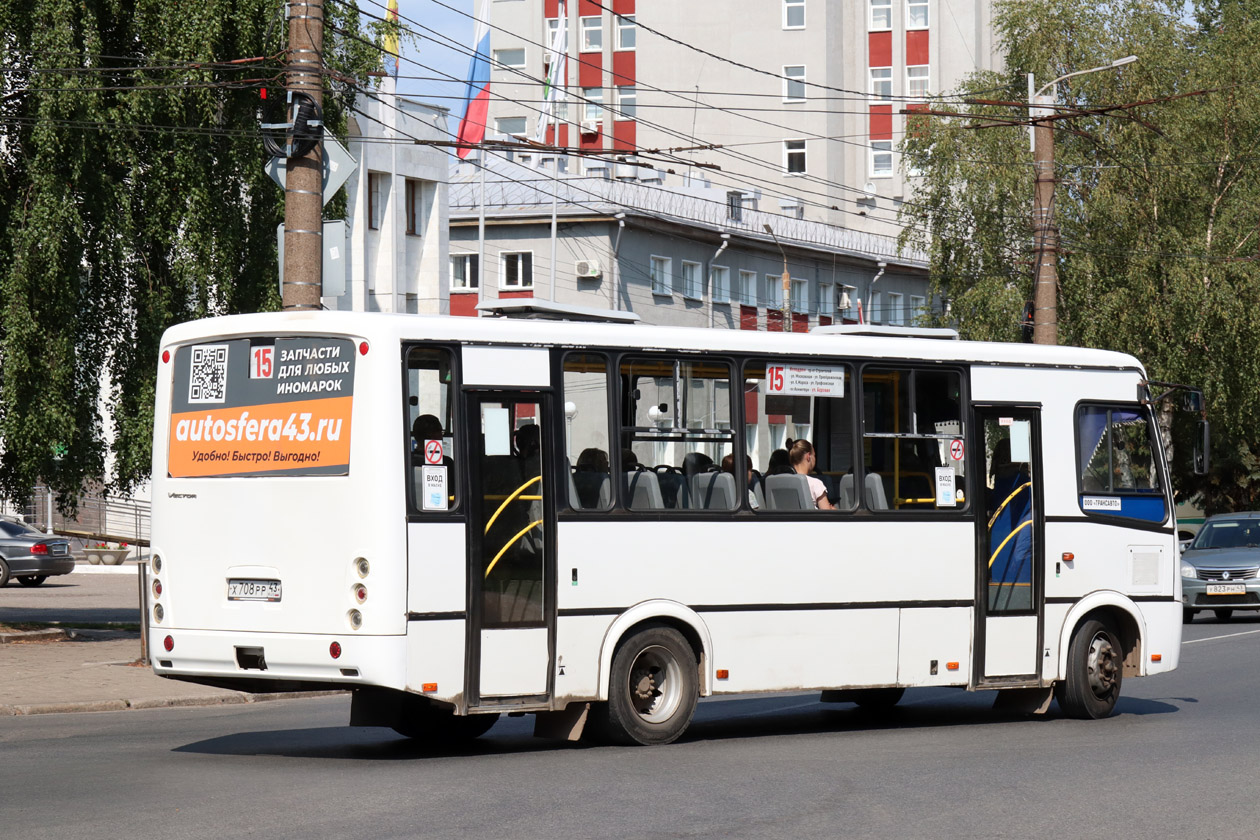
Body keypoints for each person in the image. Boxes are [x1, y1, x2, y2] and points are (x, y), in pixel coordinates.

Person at [789, 439, 834, 510]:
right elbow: (827, 515)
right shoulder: (815, 483)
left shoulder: (781, 482)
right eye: (814, 455)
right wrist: (833, 510)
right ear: (808, 456)